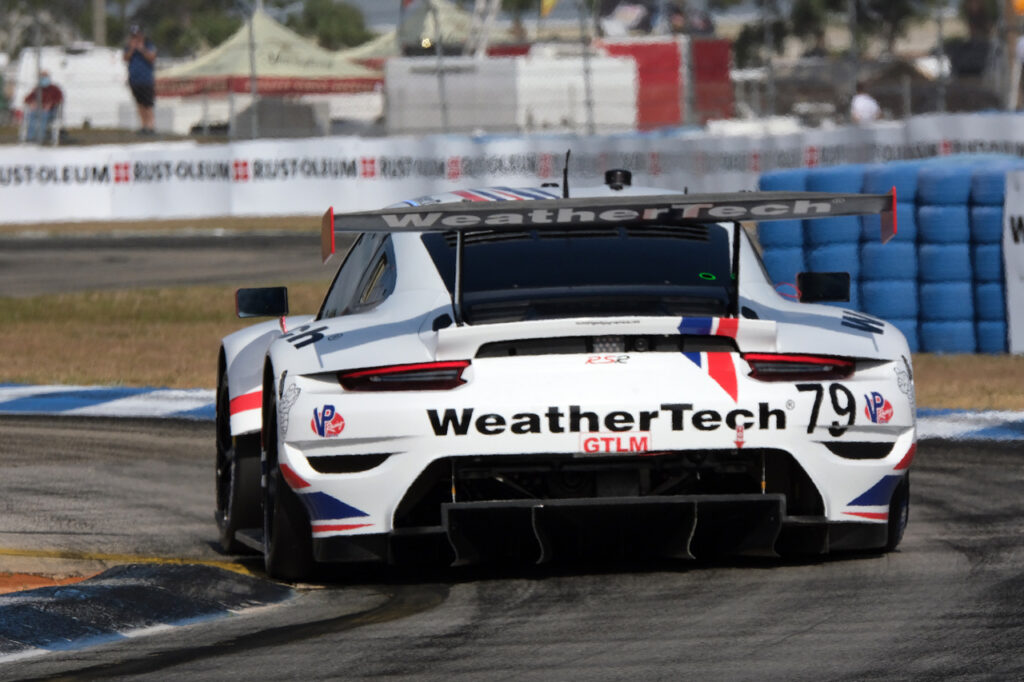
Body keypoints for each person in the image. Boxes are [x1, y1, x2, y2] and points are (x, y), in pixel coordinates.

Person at [123, 24, 157, 134]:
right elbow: (125, 58)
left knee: (148, 104)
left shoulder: (148, 45)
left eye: (137, 36)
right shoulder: (129, 46)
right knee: (140, 104)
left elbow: (152, 58)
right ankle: (144, 126)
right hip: (134, 79)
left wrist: (141, 49)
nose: (135, 38)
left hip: (146, 79)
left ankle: (151, 126)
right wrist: (132, 49)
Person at [22, 71, 63, 143]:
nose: (43, 79)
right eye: (42, 77)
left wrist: (50, 104)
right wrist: (31, 103)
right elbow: (27, 99)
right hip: (38, 110)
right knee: (31, 115)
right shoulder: (37, 89)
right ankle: (30, 137)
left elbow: (59, 99)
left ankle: (40, 137)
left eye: (45, 77)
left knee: (43, 115)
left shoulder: (54, 89)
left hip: (50, 112)